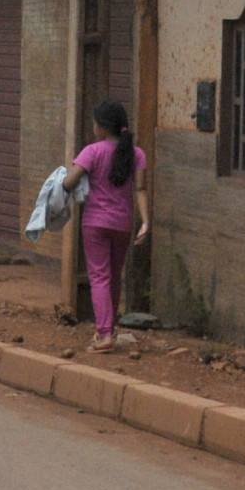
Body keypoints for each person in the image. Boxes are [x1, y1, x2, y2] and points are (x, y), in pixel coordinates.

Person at [62, 99, 150, 352]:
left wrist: (62, 180)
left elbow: (70, 183)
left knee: (99, 276)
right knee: (114, 277)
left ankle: (104, 334)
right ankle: (110, 327)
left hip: (95, 224)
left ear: (101, 127)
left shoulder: (92, 152)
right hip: (123, 224)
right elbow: (141, 189)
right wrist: (145, 222)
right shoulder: (137, 154)